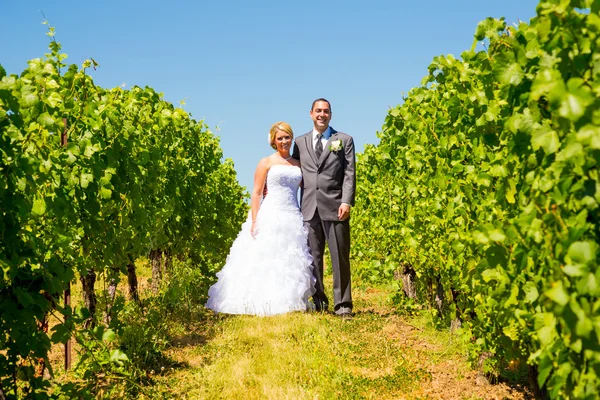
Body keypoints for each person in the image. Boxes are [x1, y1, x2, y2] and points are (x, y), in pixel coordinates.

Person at [205, 122, 316, 316]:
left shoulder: (298, 164)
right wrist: (255, 220)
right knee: (266, 259)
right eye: (280, 138)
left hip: (292, 215)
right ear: (273, 140)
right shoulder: (266, 162)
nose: (284, 141)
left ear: (291, 138)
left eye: (287, 137)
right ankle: (260, 302)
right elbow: (256, 193)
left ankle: (287, 302)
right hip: (271, 213)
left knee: (288, 259)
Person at [292, 98, 356, 318]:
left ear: (331, 115)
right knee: (313, 258)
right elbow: (295, 172)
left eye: (326, 111)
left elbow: (349, 173)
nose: (322, 114)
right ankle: (319, 300)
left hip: (336, 206)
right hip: (309, 207)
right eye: (318, 111)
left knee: (340, 256)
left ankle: (343, 305)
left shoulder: (344, 140)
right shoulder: (299, 142)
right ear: (310, 114)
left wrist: (346, 201)